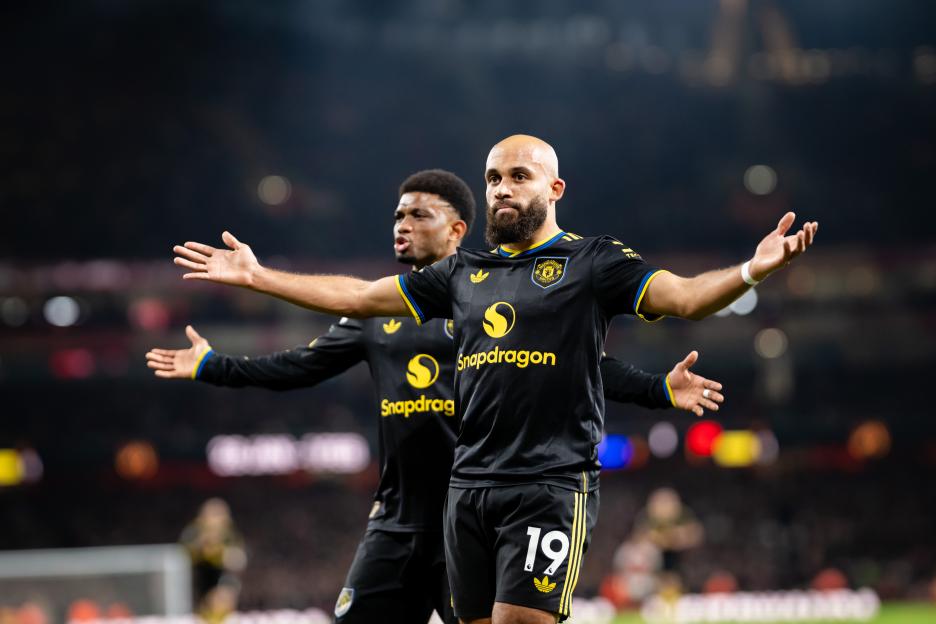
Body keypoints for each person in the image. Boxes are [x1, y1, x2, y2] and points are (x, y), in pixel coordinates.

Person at [169, 135, 817, 624]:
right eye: (493, 178)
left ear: (555, 188)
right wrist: (260, 277)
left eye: (518, 176)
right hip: (468, 490)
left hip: (548, 485)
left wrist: (751, 271)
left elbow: (685, 297)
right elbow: (361, 297)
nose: (502, 189)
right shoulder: (463, 274)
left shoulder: (593, 261)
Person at [179, 498, 247, 623]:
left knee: (223, 596)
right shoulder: (193, 533)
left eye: (221, 515)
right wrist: (203, 546)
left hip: (223, 575)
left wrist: (224, 554)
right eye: (213, 515)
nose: (217, 520)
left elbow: (239, 559)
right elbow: (183, 556)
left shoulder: (230, 535)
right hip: (198, 578)